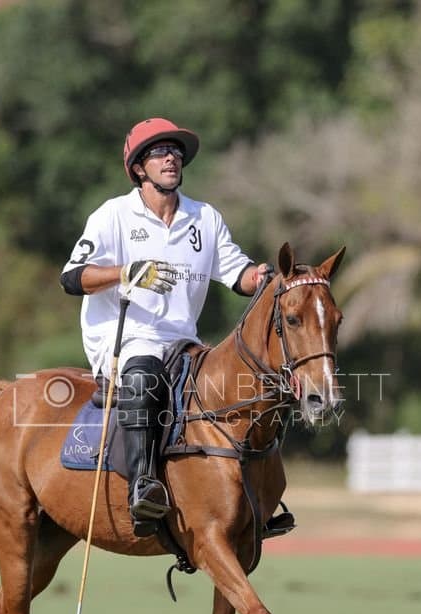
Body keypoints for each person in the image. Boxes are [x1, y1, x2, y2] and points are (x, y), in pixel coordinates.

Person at [60, 117, 269, 537]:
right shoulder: (114, 215)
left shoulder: (204, 218)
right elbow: (72, 277)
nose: (171, 157)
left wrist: (262, 277)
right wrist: (126, 272)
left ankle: (259, 496)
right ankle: (143, 487)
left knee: (244, 385)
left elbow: (238, 274)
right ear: (139, 167)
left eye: (175, 151)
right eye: (159, 152)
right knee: (145, 373)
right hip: (124, 338)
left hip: (184, 342)